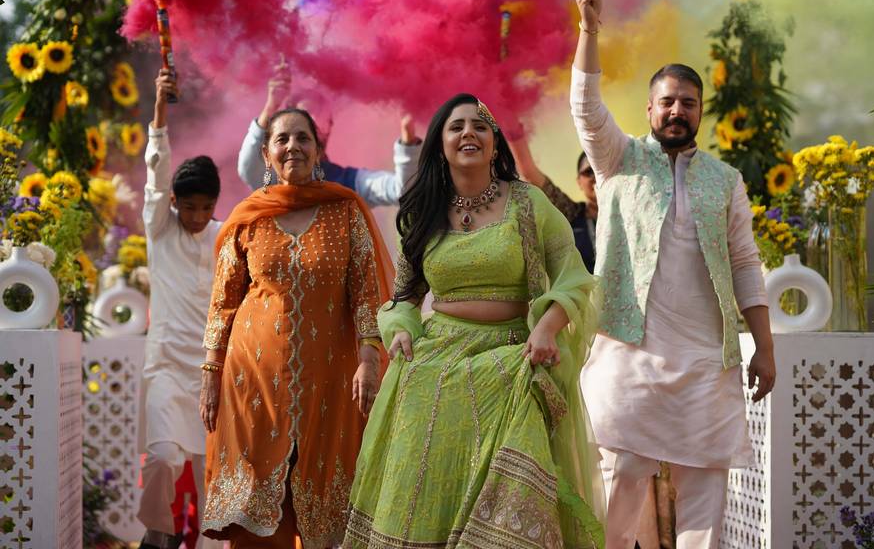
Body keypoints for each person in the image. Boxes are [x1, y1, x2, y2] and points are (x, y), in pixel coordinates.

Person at [570, 0, 776, 549]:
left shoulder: (725, 180)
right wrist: (589, 27)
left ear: (700, 111)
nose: (676, 111)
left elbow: (744, 263)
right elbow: (585, 106)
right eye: (667, 102)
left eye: (688, 102)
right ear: (650, 108)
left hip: (705, 358)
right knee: (622, 482)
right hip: (628, 352)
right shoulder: (618, 160)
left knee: (706, 490)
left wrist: (764, 345)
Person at [343, 94, 605, 549]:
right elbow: (405, 295)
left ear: (494, 141)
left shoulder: (528, 203)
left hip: (512, 365)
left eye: (480, 126)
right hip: (436, 370)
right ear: (440, 144)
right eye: (457, 126)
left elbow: (574, 279)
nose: (469, 133)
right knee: (425, 492)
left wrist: (545, 327)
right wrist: (401, 328)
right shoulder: (422, 211)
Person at [199, 107, 395, 548]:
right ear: (266, 155)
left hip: (331, 381)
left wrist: (368, 358)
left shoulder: (344, 211)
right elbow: (223, 300)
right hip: (251, 381)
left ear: (318, 149)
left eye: (303, 138)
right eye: (282, 139)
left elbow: (366, 290)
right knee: (257, 502)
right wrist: (211, 373)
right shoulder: (249, 217)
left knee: (325, 498)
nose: (293, 146)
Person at [138, 69, 222, 549]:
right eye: (187, 207)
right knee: (165, 459)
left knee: (208, 473)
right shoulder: (161, 229)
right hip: (168, 370)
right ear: (173, 203)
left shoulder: (225, 234)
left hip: (212, 373)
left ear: (215, 204)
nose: (195, 217)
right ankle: (155, 538)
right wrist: (158, 107)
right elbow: (156, 163)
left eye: (204, 207)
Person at [237, 59, 422, 205]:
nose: (310, 124)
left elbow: (404, 192)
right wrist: (271, 108)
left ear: (330, 126)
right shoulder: (274, 178)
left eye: (318, 116)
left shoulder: (347, 184)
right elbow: (248, 168)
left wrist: (408, 137)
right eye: (303, 116)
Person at [508, 135, 598, 272]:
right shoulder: (571, 214)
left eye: (599, 169)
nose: (595, 176)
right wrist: (513, 130)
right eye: (588, 172)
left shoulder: (630, 210)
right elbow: (530, 174)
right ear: (579, 182)